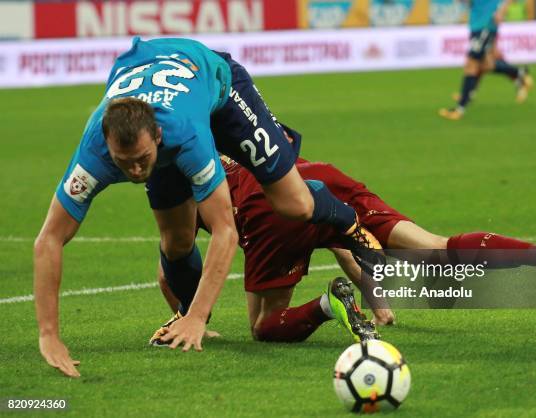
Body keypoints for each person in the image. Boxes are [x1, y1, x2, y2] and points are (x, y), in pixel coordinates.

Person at [33, 37, 381, 378]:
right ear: (107, 145)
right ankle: (185, 314)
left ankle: (345, 218)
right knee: (176, 242)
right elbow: (49, 239)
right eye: (125, 163)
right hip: (161, 84)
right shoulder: (93, 152)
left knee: (295, 204)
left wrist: (199, 316)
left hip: (218, 85)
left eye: (142, 160)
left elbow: (224, 230)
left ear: (156, 136)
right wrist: (49, 335)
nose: (137, 171)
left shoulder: (187, 136)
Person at [152, 149, 536, 346]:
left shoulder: (180, 189)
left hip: (267, 206)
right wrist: (375, 291)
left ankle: (328, 306)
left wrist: (187, 318)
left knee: (264, 326)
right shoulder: (237, 135)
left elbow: (172, 260)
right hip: (318, 176)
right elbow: (335, 236)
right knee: (434, 246)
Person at [440, 0, 534, 120]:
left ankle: (459, 109)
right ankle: (520, 73)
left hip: (486, 23)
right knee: (486, 65)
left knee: (471, 64)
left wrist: (501, 10)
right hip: (477, 23)